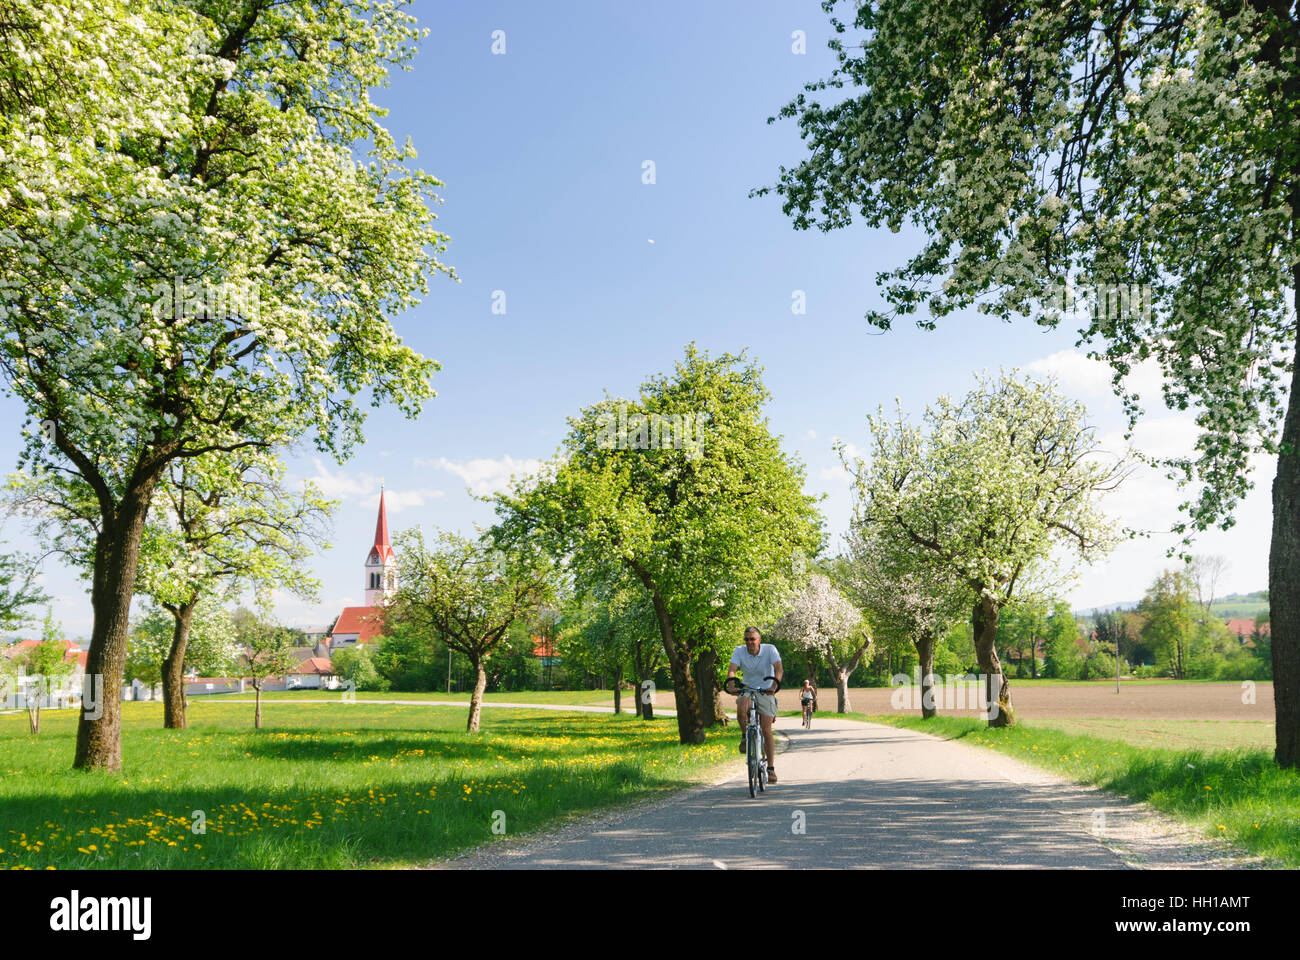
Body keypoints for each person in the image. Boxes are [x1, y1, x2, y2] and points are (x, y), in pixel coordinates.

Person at [727, 625, 782, 783]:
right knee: (741, 709)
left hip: (766, 690)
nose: (749, 642)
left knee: (766, 730)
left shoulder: (770, 649)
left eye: (752, 639)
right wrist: (731, 684)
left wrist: (774, 685)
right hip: (748, 689)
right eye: (747, 639)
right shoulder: (739, 651)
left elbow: (779, 669)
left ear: (759, 640)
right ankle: (745, 737)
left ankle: (770, 768)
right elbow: (732, 670)